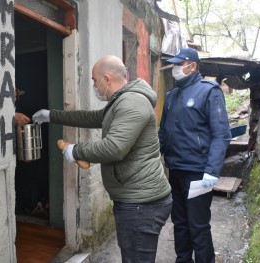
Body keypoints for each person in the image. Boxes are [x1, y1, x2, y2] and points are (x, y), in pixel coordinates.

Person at [32, 55, 172, 263]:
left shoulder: (132, 102)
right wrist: (52, 115)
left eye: (94, 80)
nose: (94, 85)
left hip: (141, 203)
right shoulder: (120, 101)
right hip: (136, 199)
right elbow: (90, 118)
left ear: (107, 79)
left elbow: (114, 148)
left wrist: (76, 151)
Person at [158, 48, 231, 263]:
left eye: (180, 64)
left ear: (193, 66)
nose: (176, 68)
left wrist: (212, 170)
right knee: (179, 222)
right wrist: (153, 158)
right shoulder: (172, 95)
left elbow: (221, 135)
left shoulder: (209, 91)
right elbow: (163, 132)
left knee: (197, 224)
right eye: (175, 64)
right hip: (176, 170)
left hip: (198, 173)